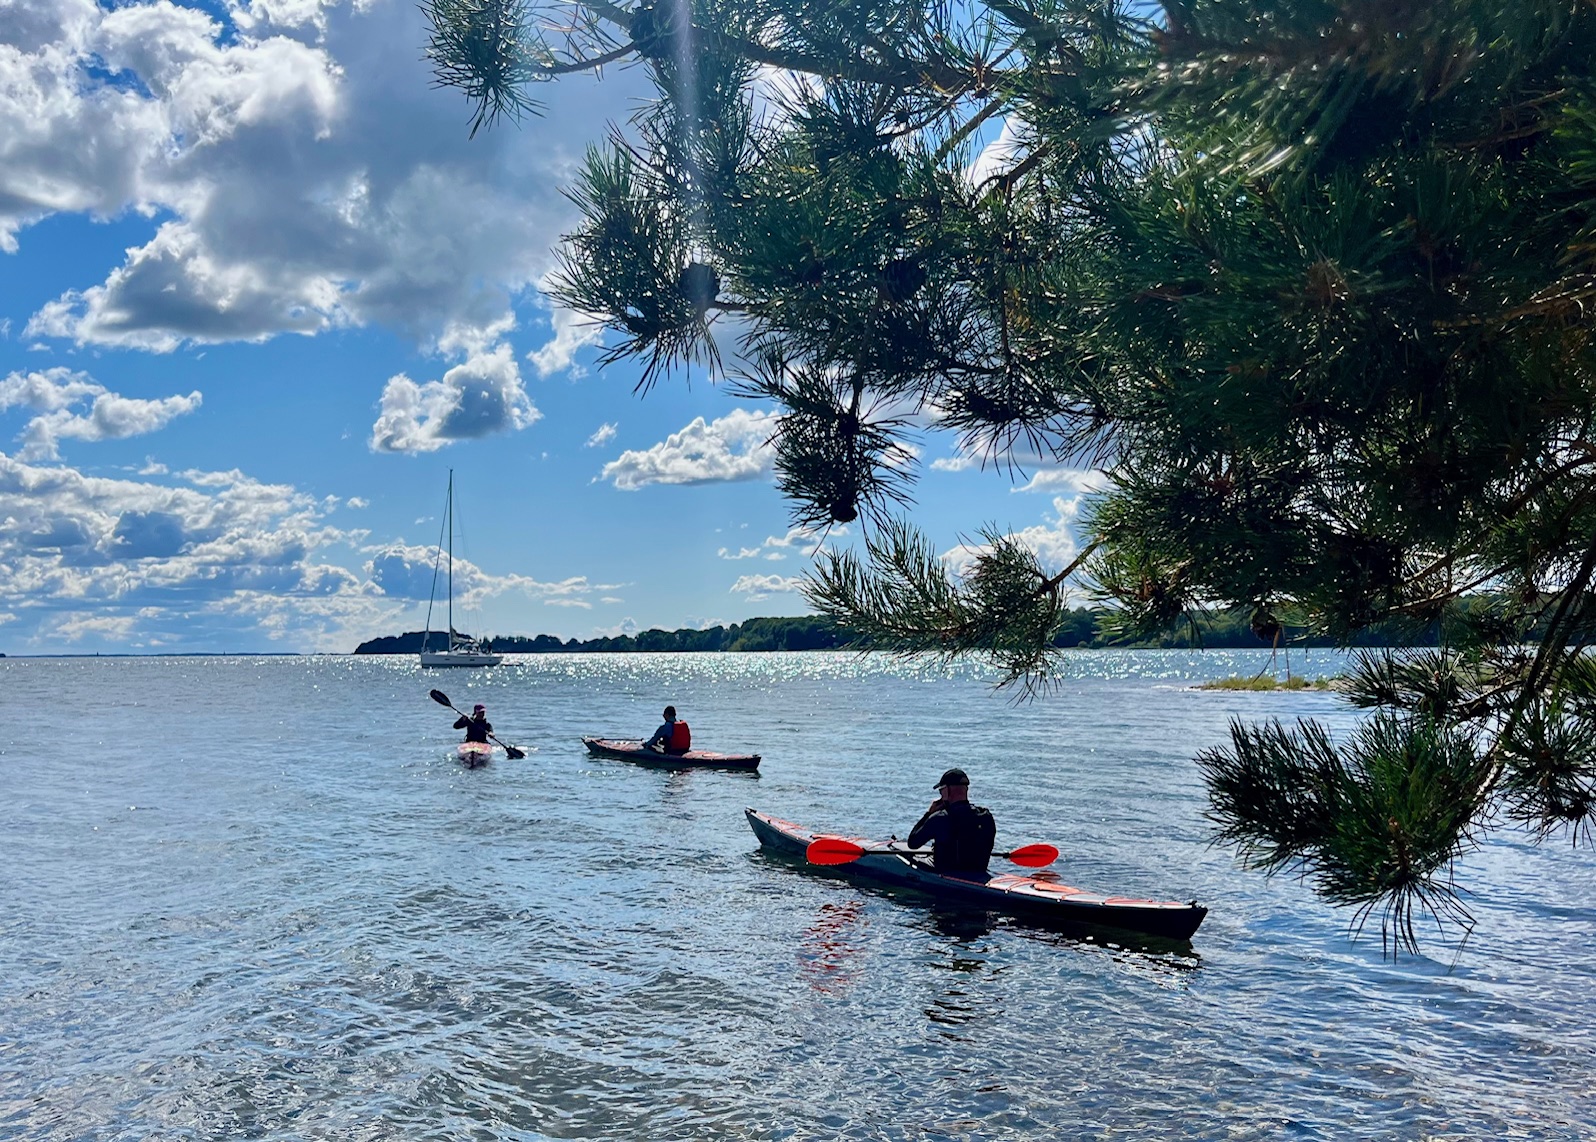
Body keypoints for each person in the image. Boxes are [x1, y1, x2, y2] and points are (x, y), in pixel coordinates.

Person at [906, 768, 995, 879]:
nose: (941, 795)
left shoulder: (940, 818)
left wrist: (929, 814)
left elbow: (913, 843)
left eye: (941, 790)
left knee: (907, 858)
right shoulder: (986, 816)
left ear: (948, 790)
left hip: (947, 872)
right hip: (978, 871)